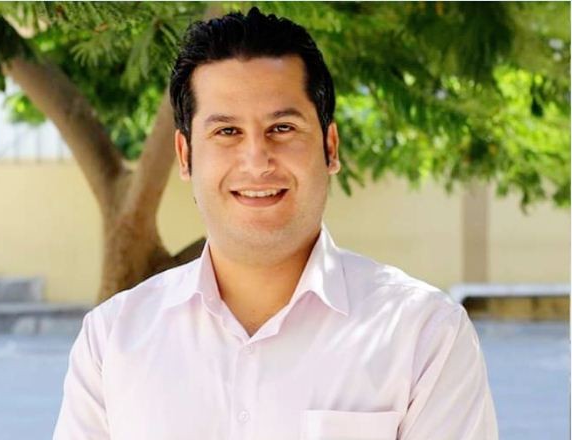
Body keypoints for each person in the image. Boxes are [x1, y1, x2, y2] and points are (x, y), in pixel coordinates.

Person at [53, 7, 498, 440]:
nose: (257, 161)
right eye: (227, 132)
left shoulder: (424, 334)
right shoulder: (111, 340)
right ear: (185, 156)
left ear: (330, 147)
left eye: (282, 128)